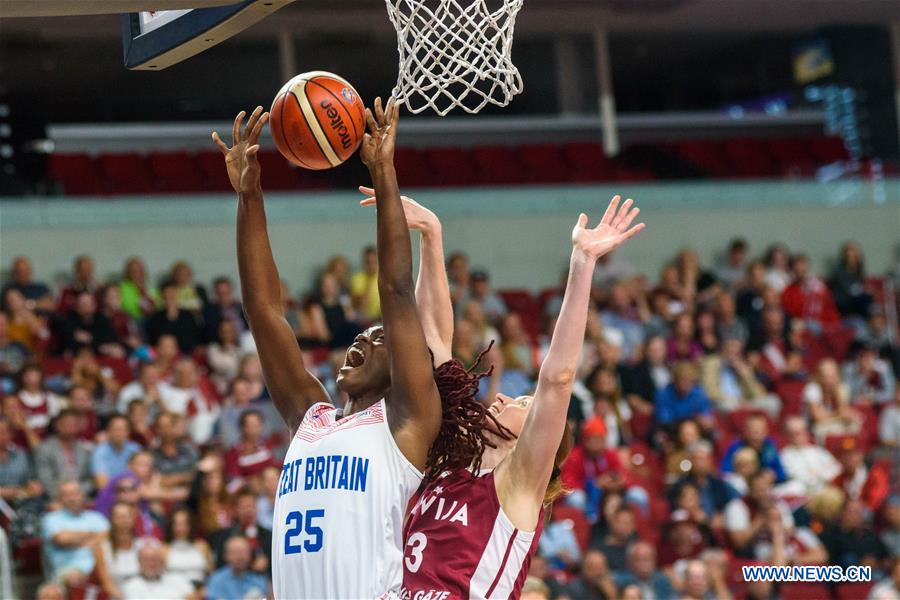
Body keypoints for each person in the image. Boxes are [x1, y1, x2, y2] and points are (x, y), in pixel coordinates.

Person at [212, 99, 442, 598]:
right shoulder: (309, 416)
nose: (361, 339)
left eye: (378, 339)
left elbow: (396, 290)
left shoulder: (406, 422)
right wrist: (249, 196)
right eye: (361, 335)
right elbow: (263, 311)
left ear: (407, 367)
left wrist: (383, 172)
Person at [401, 195, 644, 597]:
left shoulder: (518, 482)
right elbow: (434, 343)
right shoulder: (449, 463)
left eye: (522, 404)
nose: (503, 399)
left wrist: (583, 262)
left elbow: (557, 379)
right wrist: (431, 235)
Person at [41, 480, 109, 588]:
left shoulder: (96, 517)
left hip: (101, 566)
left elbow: (110, 536)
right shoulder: (51, 519)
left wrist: (76, 539)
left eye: (75, 493)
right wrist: (93, 535)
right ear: (59, 499)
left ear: (83, 495)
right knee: (74, 579)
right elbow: (62, 539)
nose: (72, 498)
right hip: (69, 570)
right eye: (67, 495)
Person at [34, 409, 94, 496]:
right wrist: (65, 494)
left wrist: (78, 490)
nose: (71, 427)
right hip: (54, 497)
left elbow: (91, 480)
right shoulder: (45, 449)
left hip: (80, 496)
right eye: (67, 423)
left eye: (74, 424)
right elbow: (45, 480)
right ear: (58, 425)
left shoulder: (83, 449)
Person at [94, 501, 144, 599]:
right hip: (117, 597)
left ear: (133, 518)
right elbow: (107, 584)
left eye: (127, 516)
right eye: (119, 517)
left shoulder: (143, 545)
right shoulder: (102, 549)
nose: (123, 520)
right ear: (112, 519)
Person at [121, 541, 194, 600]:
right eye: (146, 560)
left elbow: (192, 597)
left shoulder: (178, 579)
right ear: (139, 562)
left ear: (162, 561)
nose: (151, 564)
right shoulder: (131, 586)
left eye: (155, 559)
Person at [144, 281, 202, 353]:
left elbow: (196, 340)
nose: (170, 297)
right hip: (165, 355)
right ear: (162, 296)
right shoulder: (155, 319)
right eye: (167, 294)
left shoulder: (188, 316)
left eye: (172, 294)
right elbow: (153, 343)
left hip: (187, 354)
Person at [206, 536, 268, 600]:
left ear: (250, 555)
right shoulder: (217, 580)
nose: (240, 557)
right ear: (225, 555)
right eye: (235, 552)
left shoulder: (258, 579)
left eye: (244, 552)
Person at [164, 507, 212, 586]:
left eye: (184, 524)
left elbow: (211, 574)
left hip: (199, 589)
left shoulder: (202, 546)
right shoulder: (163, 549)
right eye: (176, 524)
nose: (180, 528)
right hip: (172, 589)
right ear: (171, 526)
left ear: (191, 525)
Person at [91, 414, 142, 489]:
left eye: (123, 429)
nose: (119, 433)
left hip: (135, 491)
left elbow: (144, 476)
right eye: (116, 429)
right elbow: (102, 485)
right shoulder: (100, 452)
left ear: (128, 432)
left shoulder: (135, 448)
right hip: (111, 494)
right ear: (108, 432)